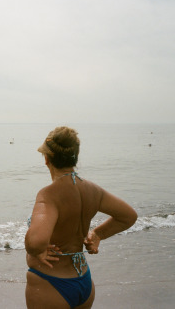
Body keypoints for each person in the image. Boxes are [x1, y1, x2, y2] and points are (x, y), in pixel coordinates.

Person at [25, 127, 137, 309]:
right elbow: (128, 216)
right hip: (84, 282)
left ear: (47, 159)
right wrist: (98, 234)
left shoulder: (48, 195)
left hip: (51, 284)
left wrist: (35, 250)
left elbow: (37, 241)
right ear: (75, 157)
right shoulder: (93, 190)